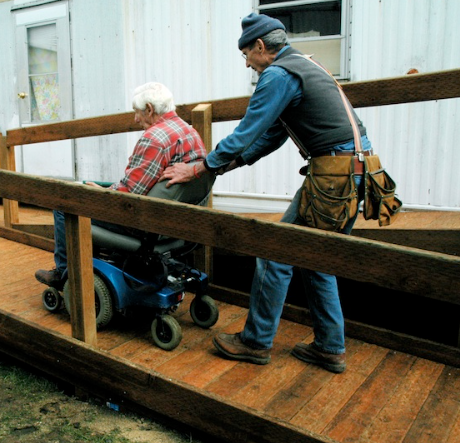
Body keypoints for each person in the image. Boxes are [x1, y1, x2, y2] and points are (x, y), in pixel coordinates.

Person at [160, 13, 375, 374]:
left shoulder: (277, 74)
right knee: (317, 260)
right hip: (355, 172)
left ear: (261, 47)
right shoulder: (303, 65)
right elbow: (273, 135)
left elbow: (248, 131)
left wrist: (200, 167)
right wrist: (225, 167)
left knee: (275, 254)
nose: (247, 63)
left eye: (246, 54)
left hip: (332, 178)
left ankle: (255, 343)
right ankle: (330, 347)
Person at [35, 82, 208, 288]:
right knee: (92, 189)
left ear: (150, 109)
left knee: (64, 206)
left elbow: (127, 194)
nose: (135, 119)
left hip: (143, 226)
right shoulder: (189, 132)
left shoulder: (154, 138)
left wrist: (101, 193)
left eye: (137, 112)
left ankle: (65, 274)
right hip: (178, 224)